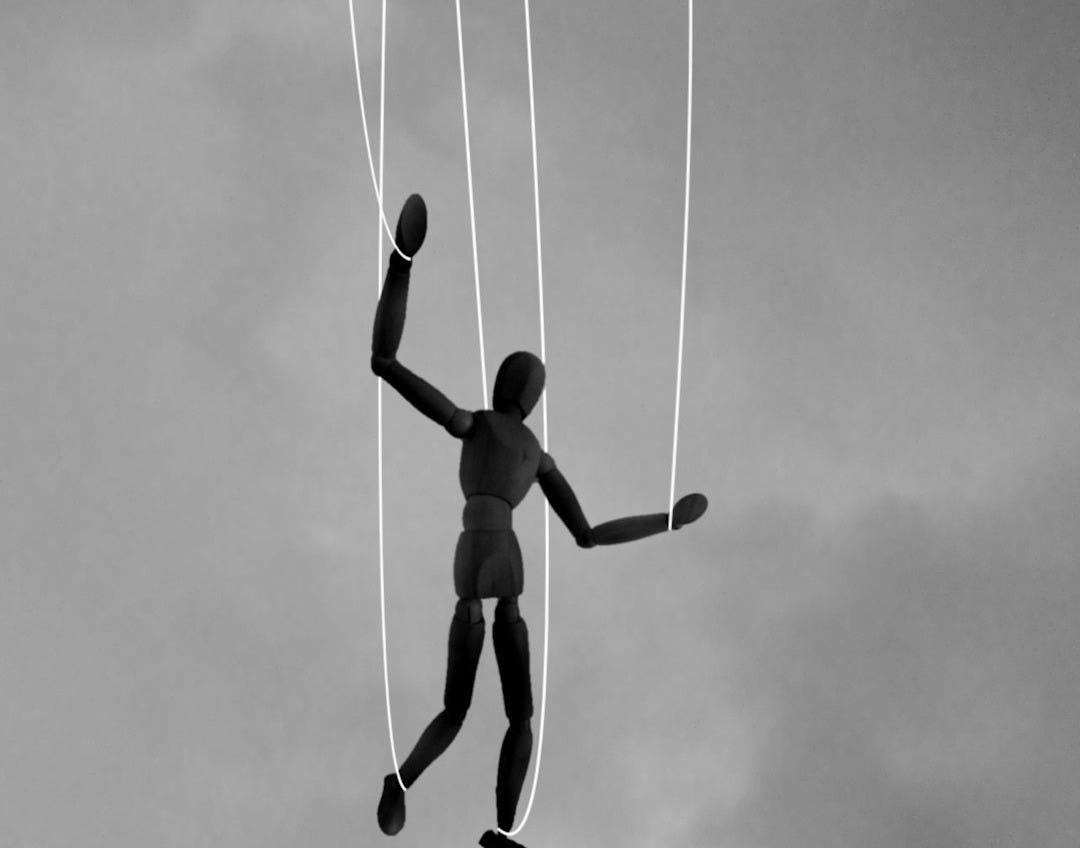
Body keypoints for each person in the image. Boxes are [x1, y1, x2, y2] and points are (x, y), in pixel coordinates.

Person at [371, 194, 707, 848]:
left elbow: (393, 370)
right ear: (532, 398)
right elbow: (587, 533)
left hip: (473, 551)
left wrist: (402, 263)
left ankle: (405, 780)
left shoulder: (479, 425)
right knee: (518, 713)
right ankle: (497, 825)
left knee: (459, 706)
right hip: (509, 559)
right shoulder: (536, 455)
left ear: (502, 387)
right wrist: (664, 519)